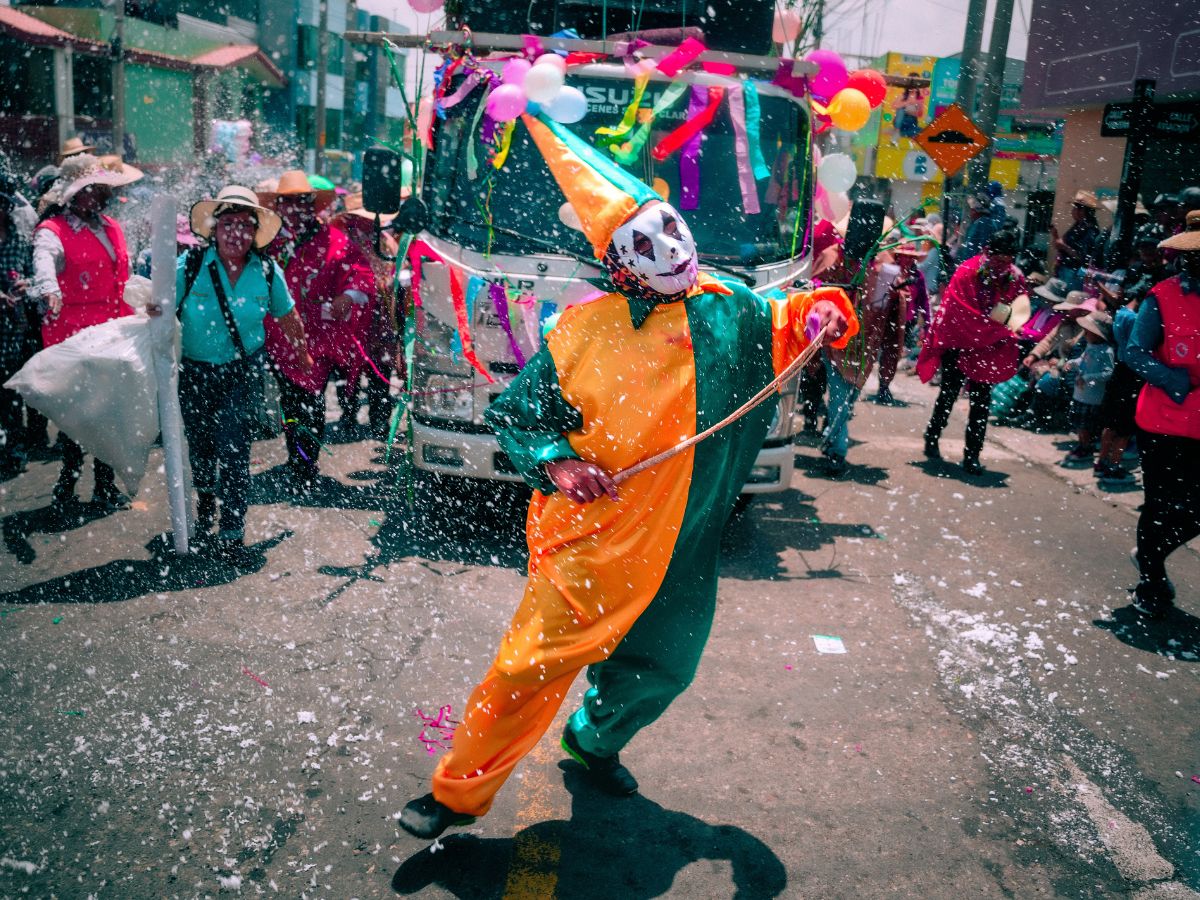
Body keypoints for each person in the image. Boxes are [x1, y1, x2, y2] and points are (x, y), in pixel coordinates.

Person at [397, 113, 856, 840]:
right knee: (524, 670)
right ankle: (456, 794)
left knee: (664, 669)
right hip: (594, 540)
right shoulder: (580, 331)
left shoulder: (731, 308)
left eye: (668, 227)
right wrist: (559, 462)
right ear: (616, 263)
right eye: (642, 242)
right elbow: (517, 415)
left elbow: (787, 318)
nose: (666, 247)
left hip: (684, 545)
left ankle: (592, 741)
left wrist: (821, 311)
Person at [149, 186, 311, 561]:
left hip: (243, 370)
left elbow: (287, 315)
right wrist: (152, 311)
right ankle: (207, 496)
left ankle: (232, 531)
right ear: (215, 229)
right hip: (195, 372)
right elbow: (160, 306)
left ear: (254, 232)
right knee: (202, 447)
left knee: (236, 449)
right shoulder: (190, 265)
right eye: (228, 224)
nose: (236, 233)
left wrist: (302, 353)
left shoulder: (267, 271)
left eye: (244, 225)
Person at [31, 153, 142, 510]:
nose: (102, 195)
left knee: (110, 410)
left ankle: (104, 486)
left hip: (113, 330)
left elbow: (124, 274)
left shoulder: (111, 226)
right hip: (75, 335)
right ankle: (67, 485)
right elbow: (44, 262)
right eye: (94, 189)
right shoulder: (53, 231)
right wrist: (49, 289)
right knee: (78, 415)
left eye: (103, 188)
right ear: (75, 194)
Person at [259, 171, 375, 490]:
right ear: (278, 205)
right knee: (291, 401)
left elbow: (361, 275)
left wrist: (347, 296)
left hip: (318, 339)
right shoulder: (268, 241)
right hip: (279, 337)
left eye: (302, 201)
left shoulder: (334, 241)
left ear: (312, 205)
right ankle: (297, 457)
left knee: (312, 400)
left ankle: (307, 463)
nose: (295, 208)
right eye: (288, 202)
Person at [1123, 210, 1200, 618]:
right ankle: (1150, 582)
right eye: (1193, 255)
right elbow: (1134, 352)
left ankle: (1149, 555)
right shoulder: (1161, 297)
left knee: (1193, 510)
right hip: (1163, 422)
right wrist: (1172, 379)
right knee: (1159, 505)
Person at [918, 227, 1027, 474]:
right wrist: (985, 328)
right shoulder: (967, 271)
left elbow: (1016, 311)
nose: (1002, 265)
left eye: (1007, 260)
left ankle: (972, 455)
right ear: (988, 252)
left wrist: (1000, 328)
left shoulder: (1015, 278)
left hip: (988, 347)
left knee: (981, 402)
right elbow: (957, 310)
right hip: (959, 342)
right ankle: (932, 435)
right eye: (998, 259)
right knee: (948, 395)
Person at [330, 192, 400, 439]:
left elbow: (393, 276)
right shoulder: (341, 241)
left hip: (379, 314)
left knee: (379, 370)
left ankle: (378, 419)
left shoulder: (385, 242)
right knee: (345, 367)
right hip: (350, 314)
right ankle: (349, 414)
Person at [0, 179, 34, 478]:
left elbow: (35, 276)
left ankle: (14, 448)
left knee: (11, 390)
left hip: (14, 327)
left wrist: (27, 285)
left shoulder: (20, 239)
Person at [1058, 312, 1115, 468]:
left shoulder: (1107, 351)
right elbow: (1082, 360)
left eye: (1088, 331)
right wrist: (1072, 363)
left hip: (1092, 395)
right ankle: (1082, 444)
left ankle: (1086, 447)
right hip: (1080, 392)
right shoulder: (1090, 346)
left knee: (1086, 424)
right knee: (1079, 423)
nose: (1085, 334)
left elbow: (1108, 373)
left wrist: (1088, 377)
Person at [1051, 191, 1101, 287]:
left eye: (1075, 207)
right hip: (1066, 270)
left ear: (1083, 211)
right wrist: (1055, 236)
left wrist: (1064, 247)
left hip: (1074, 273)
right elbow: (1064, 246)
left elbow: (1083, 257)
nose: (1073, 210)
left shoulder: (1091, 230)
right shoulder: (1078, 226)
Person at [955, 182, 1006, 265]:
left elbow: (979, 246)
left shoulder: (984, 223)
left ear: (978, 210)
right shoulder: (977, 223)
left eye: (972, 209)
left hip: (974, 264)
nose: (970, 212)